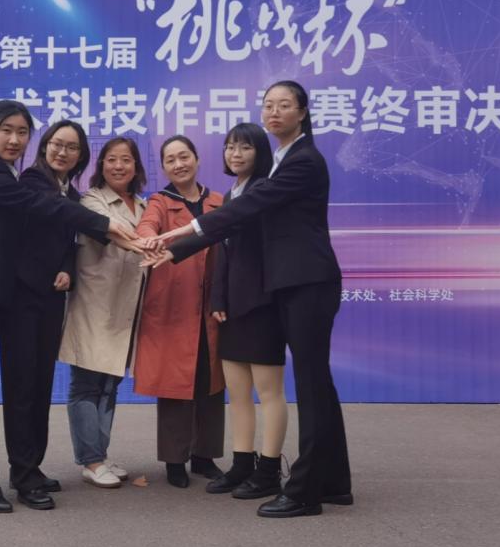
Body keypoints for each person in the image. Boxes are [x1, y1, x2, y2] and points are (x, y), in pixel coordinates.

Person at [146, 81, 352, 518]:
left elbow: (243, 210)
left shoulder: (303, 161)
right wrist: (179, 246)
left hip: (308, 283)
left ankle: (305, 492)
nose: (274, 112)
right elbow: (239, 216)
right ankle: (334, 482)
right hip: (292, 284)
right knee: (318, 386)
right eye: (268, 105)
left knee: (312, 388)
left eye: (284, 105)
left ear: (302, 112)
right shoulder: (283, 161)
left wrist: (185, 230)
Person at [0, 100, 135, 514]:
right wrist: (107, 224)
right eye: (7, 131)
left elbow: (53, 219)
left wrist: (69, 262)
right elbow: (46, 206)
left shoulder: (5, 173)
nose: (15, 140)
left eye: (22, 132)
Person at [2, 120, 91, 509]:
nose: (62, 152)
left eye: (71, 147)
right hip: (21, 298)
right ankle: (22, 475)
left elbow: (70, 241)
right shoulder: (32, 182)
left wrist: (67, 268)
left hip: (51, 299)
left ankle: (32, 466)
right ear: (44, 146)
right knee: (22, 387)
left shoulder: (71, 192)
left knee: (41, 384)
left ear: (80, 156)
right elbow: (44, 223)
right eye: (57, 143)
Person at [203, 123, 289, 501]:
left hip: (263, 305)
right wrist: (218, 299)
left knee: (269, 392)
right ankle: (242, 464)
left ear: (260, 152)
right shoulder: (230, 195)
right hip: (233, 308)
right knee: (238, 394)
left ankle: (268, 471)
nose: (235, 154)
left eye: (245, 147)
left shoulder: (266, 191)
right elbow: (222, 253)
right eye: (230, 147)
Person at [134, 135, 225, 488]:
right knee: (175, 385)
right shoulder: (160, 201)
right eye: (170, 160)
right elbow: (147, 225)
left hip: (212, 306)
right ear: (164, 167)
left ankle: (205, 456)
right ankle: (175, 460)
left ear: (197, 159)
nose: (178, 164)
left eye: (184, 156)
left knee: (211, 381)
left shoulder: (219, 201)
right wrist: (148, 238)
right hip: (174, 304)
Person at [58, 137, 148, 489]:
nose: (118, 166)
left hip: (127, 308)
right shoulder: (91, 200)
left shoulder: (144, 205)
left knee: (109, 384)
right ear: (101, 165)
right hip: (94, 305)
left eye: (126, 160)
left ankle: (100, 454)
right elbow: (114, 230)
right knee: (86, 384)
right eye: (111, 159)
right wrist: (147, 243)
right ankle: (91, 460)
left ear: (136, 167)